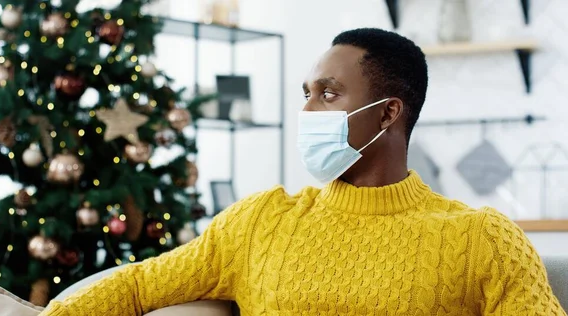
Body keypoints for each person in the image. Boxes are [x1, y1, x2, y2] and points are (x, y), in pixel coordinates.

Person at [42, 28, 565, 315]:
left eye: (329, 94)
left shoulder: (481, 238)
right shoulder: (262, 222)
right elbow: (137, 287)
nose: (309, 111)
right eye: (306, 95)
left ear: (387, 113)